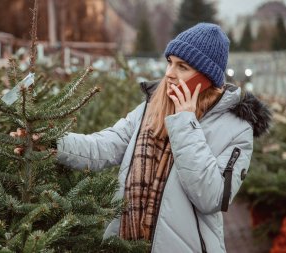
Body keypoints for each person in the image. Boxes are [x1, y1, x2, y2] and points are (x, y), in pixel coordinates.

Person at [56, 23, 271, 253]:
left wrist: (185, 122)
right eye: (169, 62)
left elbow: (212, 197)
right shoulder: (152, 106)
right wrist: (51, 142)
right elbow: (104, 146)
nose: (169, 73)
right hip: (128, 244)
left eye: (182, 67)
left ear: (206, 78)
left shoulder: (237, 129)